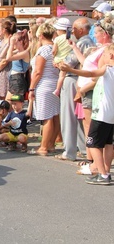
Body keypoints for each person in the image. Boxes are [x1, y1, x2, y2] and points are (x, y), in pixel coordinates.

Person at [60, 43, 114, 185]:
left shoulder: (108, 69)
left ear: (111, 56)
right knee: (108, 144)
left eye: (103, 55)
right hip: (111, 114)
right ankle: (106, 172)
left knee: (93, 143)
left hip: (101, 112)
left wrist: (70, 69)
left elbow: (90, 74)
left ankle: (102, 174)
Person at [56, 18, 95, 163]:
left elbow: (69, 62)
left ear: (81, 29)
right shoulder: (90, 42)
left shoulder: (83, 42)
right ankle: (83, 149)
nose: (72, 31)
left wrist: (59, 63)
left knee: (68, 116)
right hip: (81, 79)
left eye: (74, 28)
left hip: (73, 78)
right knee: (80, 117)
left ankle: (69, 151)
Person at [27, 23, 60, 156]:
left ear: (40, 35)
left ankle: (43, 147)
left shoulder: (43, 50)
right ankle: (51, 144)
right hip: (55, 83)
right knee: (55, 115)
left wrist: (31, 88)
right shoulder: (55, 48)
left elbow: (38, 72)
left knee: (46, 117)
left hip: (44, 84)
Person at [5, 29, 30, 99]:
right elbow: (4, 56)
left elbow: (8, 58)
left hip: (18, 79)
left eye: (16, 41)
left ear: (21, 41)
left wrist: (12, 44)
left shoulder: (24, 53)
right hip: (14, 79)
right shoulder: (18, 52)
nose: (14, 43)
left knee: (15, 103)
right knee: (8, 103)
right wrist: (10, 44)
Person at [52, 18, 73, 97]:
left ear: (60, 30)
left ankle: (57, 89)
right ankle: (58, 89)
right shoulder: (71, 38)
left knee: (61, 76)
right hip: (68, 60)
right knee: (62, 75)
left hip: (59, 60)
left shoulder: (57, 39)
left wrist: (53, 58)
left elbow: (54, 51)